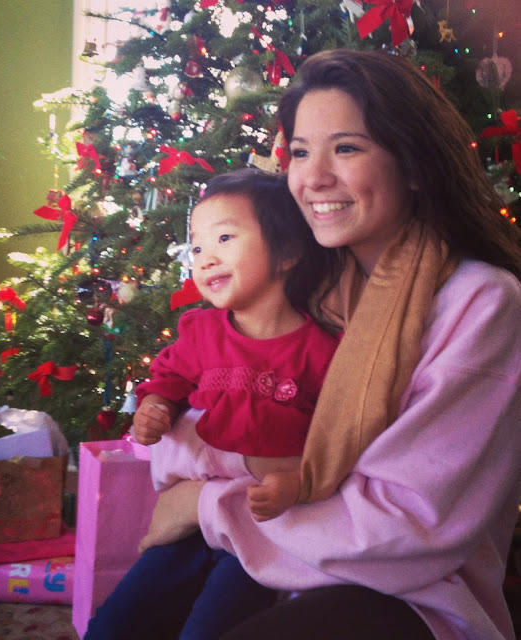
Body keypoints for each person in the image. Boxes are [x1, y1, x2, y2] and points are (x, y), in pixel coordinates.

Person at [90, 48, 521, 640]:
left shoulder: (481, 302)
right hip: (258, 554)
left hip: (401, 594)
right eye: (298, 152)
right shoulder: (302, 289)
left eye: (346, 148)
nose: (313, 178)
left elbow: (405, 527)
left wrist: (204, 504)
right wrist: (245, 466)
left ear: (414, 165)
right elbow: (179, 439)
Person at [85, 168, 340, 640]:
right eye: (197, 247)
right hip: (190, 524)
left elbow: (338, 443)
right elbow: (167, 380)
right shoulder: (200, 331)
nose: (206, 259)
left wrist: (297, 484)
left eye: (224, 238)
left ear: (288, 252)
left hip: (263, 531)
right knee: (114, 625)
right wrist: (155, 407)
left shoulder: (323, 351)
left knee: (210, 630)